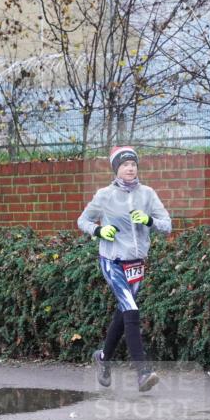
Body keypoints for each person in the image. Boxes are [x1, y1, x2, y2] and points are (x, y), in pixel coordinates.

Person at [77, 146, 172, 391]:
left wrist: (149, 221)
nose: (130, 168)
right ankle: (143, 372)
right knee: (131, 310)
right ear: (116, 168)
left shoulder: (148, 194)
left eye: (133, 164)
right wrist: (98, 231)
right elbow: (83, 220)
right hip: (113, 261)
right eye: (125, 164)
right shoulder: (105, 195)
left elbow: (167, 225)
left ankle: (103, 358)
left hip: (136, 264)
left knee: (123, 314)